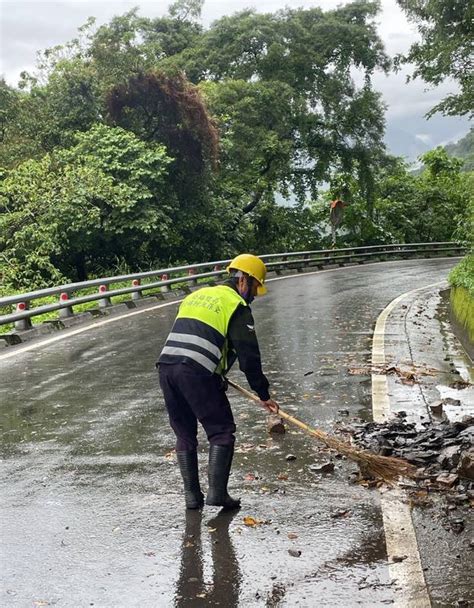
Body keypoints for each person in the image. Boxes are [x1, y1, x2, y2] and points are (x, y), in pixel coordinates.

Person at [157, 253, 279, 510]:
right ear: (243, 280)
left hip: (167, 367)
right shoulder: (235, 304)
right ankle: (218, 494)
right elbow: (248, 355)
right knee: (221, 430)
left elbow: (199, 335)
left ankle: (192, 497)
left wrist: (216, 375)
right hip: (195, 370)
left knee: (184, 432)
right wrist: (263, 393)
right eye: (255, 287)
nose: (255, 295)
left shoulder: (196, 295)